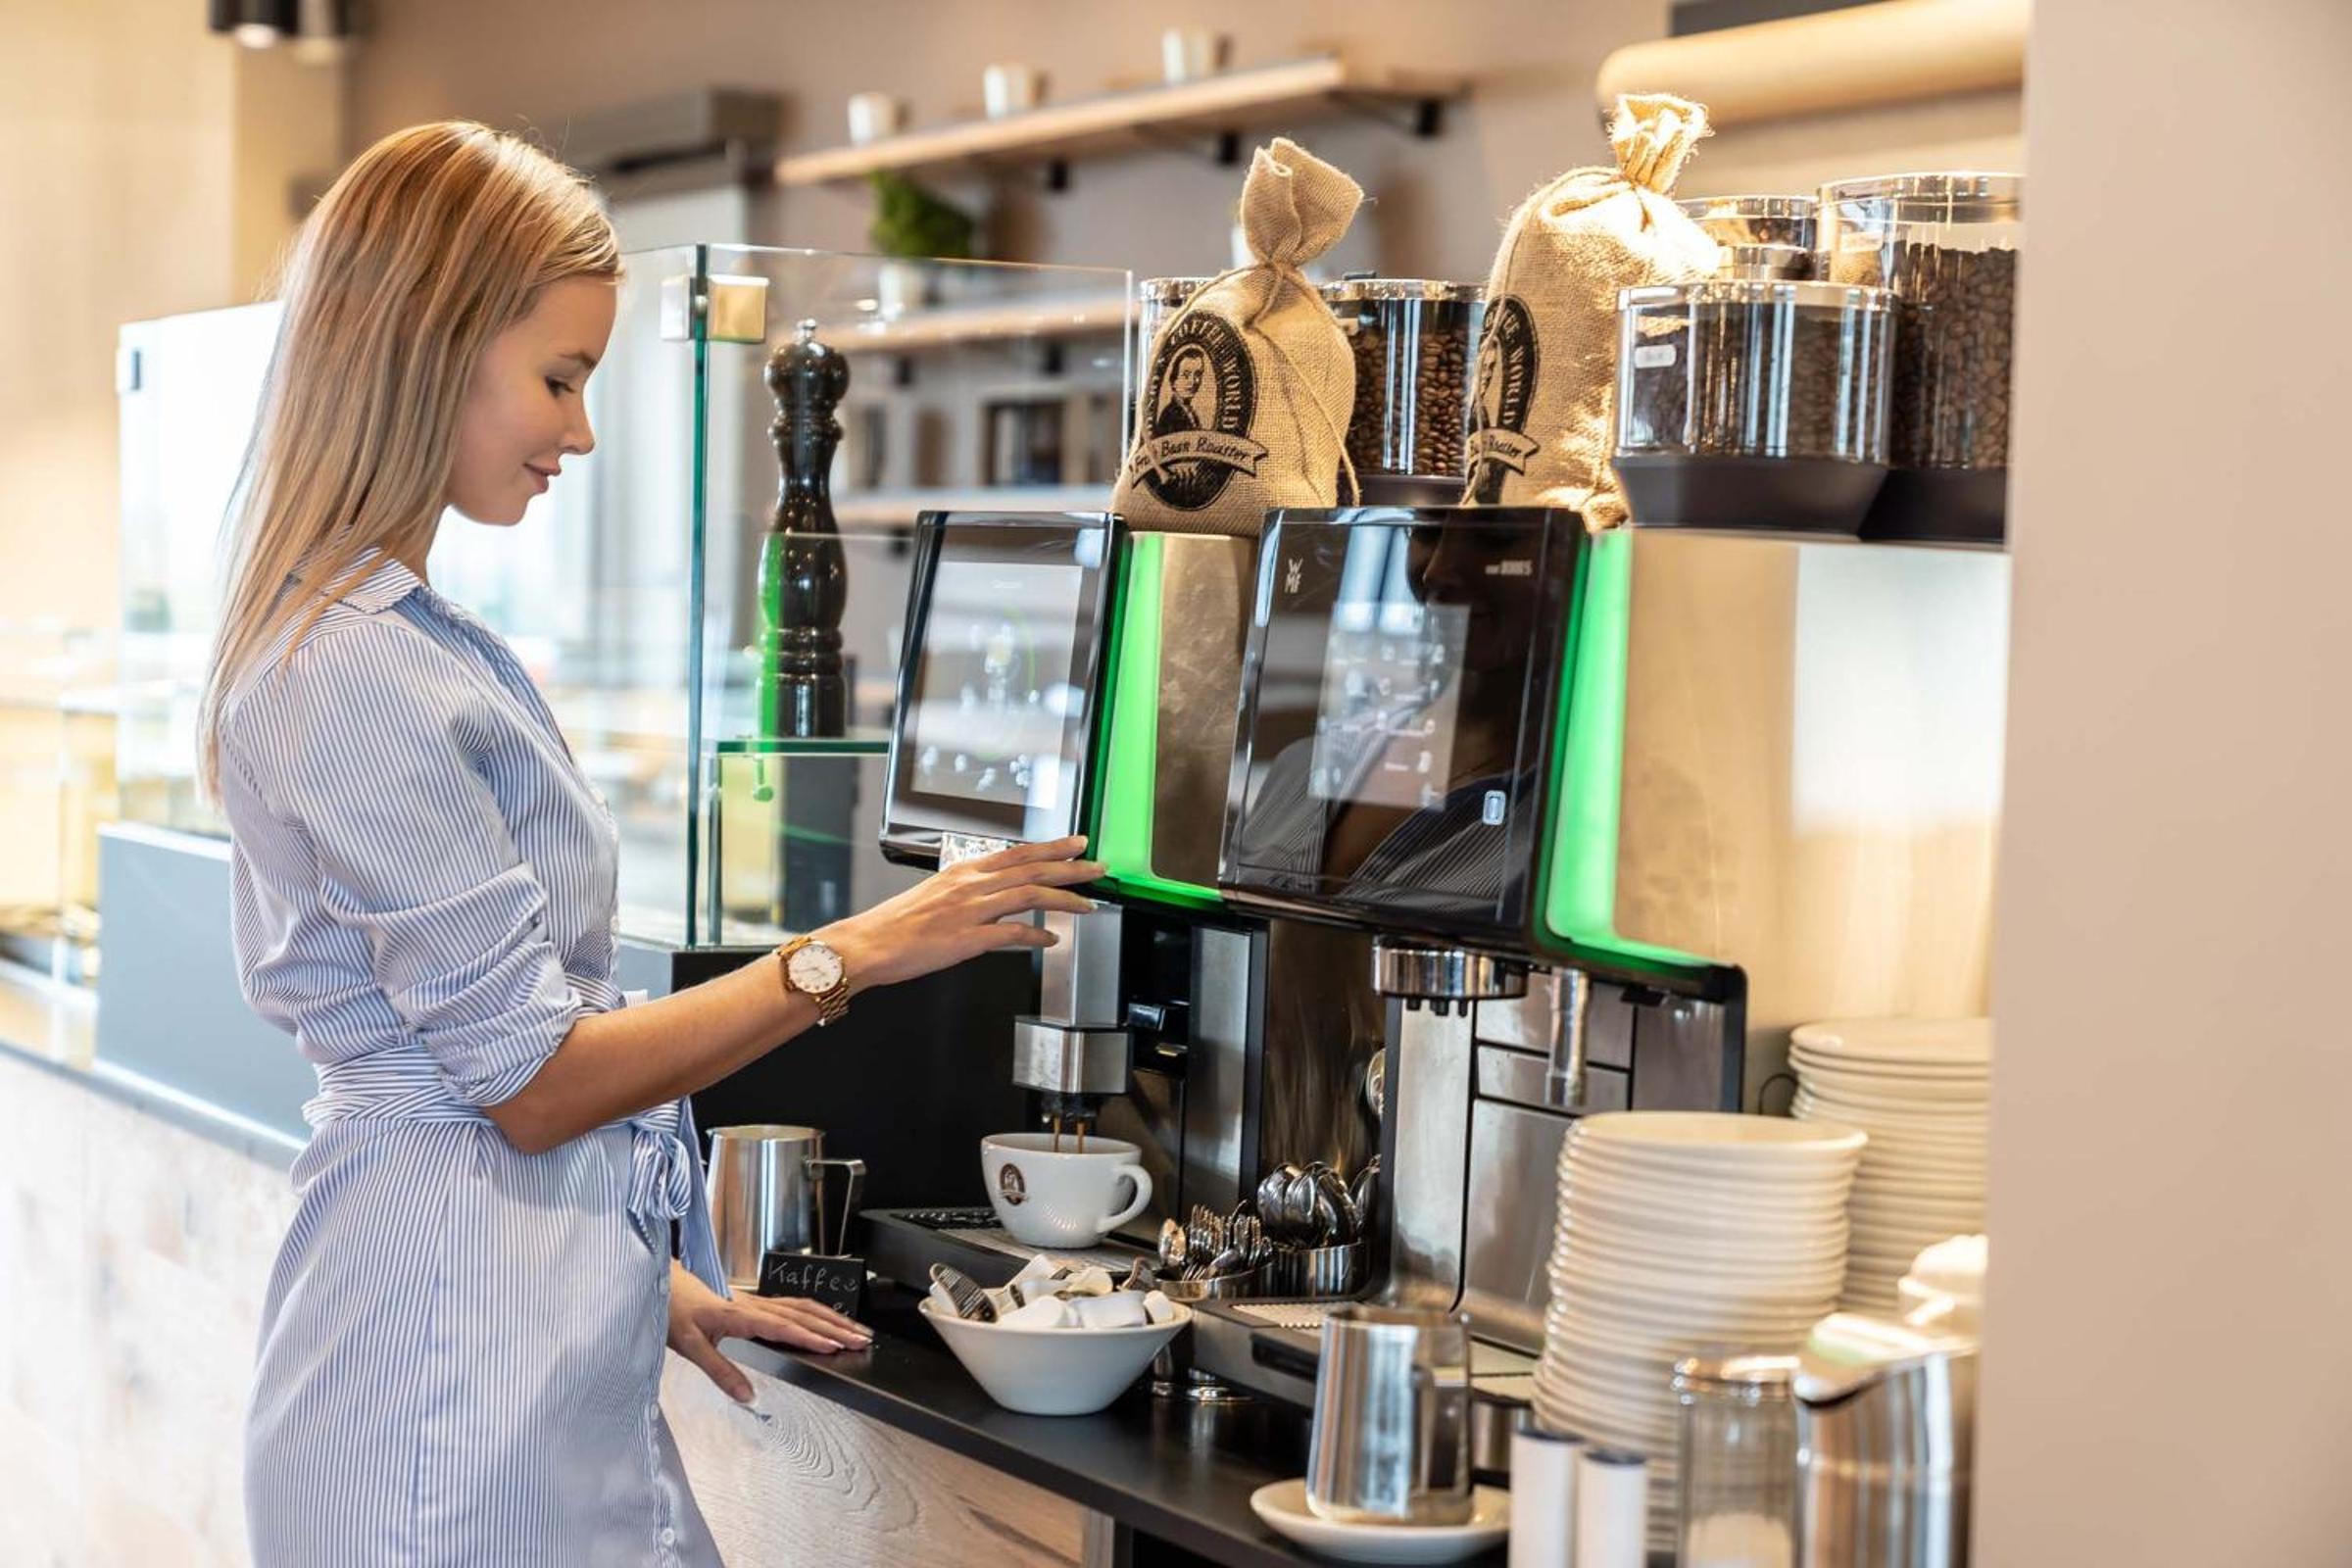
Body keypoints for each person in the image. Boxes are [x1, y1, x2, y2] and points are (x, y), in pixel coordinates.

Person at [197, 122, 1100, 1567]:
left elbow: (481, 1069)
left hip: (505, 1329)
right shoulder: (352, 667)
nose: (581, 433)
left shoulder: (411, 641)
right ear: (428, 347)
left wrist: (640, 1279)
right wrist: (852, 954)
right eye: (560, 378)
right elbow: (533, 1086)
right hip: (441, 1383)